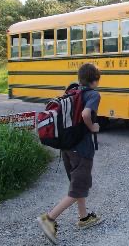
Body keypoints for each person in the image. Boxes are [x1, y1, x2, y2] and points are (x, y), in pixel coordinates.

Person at [37, 63, 102, 244]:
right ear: (95, 80)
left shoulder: (72, 91)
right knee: (78, 188)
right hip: (81, 150)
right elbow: (86, 114)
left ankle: (84, 218)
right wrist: (93, 127)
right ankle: (48, 219)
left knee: (77, 184)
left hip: (67, 147)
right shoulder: (93, 94)